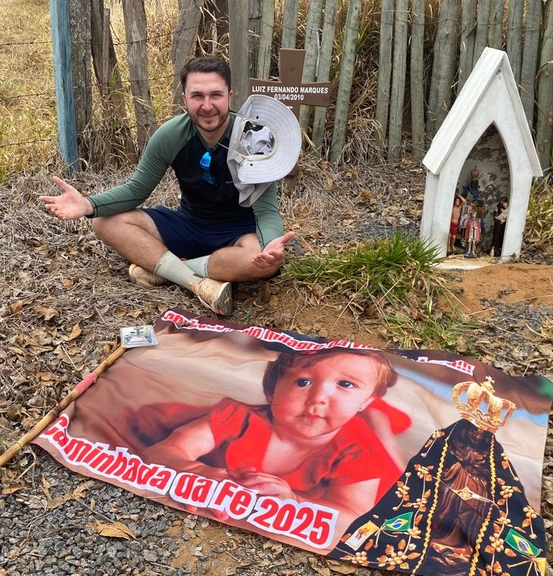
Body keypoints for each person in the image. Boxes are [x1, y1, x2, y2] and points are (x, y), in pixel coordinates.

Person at [39, 56, 295, 315]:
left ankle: (166, 270)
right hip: (189, 223)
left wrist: (272, 245)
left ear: (230, 96)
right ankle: (194, 280)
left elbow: (266, 211)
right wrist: (88, 204)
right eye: (197, 96)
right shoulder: (170, 136)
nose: (207, 106)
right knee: (104, 223)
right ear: (184, 99)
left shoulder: (254, 139)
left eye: (216, 95)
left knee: (263, 263)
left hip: (237, 232)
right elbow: (137, 190)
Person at [143, 347, 411, 545]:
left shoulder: (359, 453)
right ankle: (373, 412)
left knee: (401, 487)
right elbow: (161, 452)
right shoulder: (239, 418)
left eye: (345, 384)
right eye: (303, 381)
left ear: (365, 401)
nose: (318, 398)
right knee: (149, 421)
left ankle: (379, 420)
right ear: (271, 389)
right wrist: (194, 470)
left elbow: (355, 522)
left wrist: (296, 503)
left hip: (360, 450)